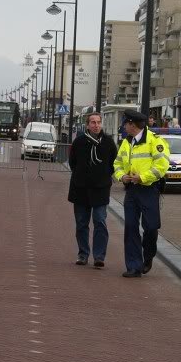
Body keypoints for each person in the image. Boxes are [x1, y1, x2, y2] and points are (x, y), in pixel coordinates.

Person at [113, 109, 171, 278]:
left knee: (151, 227)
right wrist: (121, 176)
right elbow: (117, 163)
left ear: (132, 124)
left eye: (126, 123)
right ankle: (133, 266)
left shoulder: (155, 141)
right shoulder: (126, 142)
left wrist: (142, 177)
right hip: (131, 190)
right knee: (130, 227)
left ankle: (148, 256)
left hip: (149, 189)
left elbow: (162, 165)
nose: (124, 126)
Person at [68, 112, 117, 268]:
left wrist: (102, 177)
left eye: (98, 122)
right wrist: (81, 176)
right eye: (93, 122)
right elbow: (72, 163)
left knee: (100, 222)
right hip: (80, 189)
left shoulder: (109, 142)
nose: (96, 125)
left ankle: (99, 256)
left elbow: (113, 164)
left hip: (100, 189)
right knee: (81, 223)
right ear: (87, 125)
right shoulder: (79, 142)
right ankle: (83, 254)